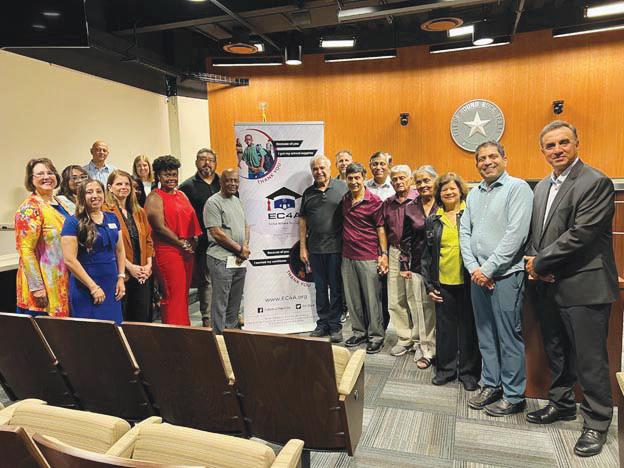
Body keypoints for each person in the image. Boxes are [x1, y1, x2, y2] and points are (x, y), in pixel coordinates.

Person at [524, 121, 618, 457]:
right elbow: (538, 235)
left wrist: (540, 264)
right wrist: (536, 264)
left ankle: (597, 422)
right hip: (549, 285)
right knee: (557, 350)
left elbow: (581, 235)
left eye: (564, 142)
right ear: (543, 151)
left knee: (590, 359)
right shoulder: (541, 186)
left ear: (577, 143)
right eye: (550, 146)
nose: (557, 150)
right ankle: (562, 404)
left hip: (585, 285)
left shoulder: (595, 182)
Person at [459, 141, 533, 416]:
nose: (487, 162)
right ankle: (491, 384)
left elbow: (516, 235)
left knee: (508, 336)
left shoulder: (517, 188)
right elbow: (464, 232)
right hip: (478, 276)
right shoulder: (474, 193)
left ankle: (514, 395)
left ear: (504, 159)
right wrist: (473, 269)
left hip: (506, 276)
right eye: (481, 159)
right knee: (486, 334)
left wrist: (487, 269)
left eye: (492, 157)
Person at [422, 172, 481, 390]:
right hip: (442, 283)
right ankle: (446, 370)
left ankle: (468, 373)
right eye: (444, 189)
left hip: (468, 281)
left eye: (452, 188)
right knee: (445, 329)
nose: (448, 192)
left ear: (460, 191)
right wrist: (429, 285)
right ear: (439, 193)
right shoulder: (433, 220)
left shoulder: (471, 214)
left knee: (468, 328)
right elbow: (426, 256)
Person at [145, 155, 201, 326]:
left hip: (186, 250)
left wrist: (192, 241)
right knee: (173, 294)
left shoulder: (181, 194)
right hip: (167, 251)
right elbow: (159, 227)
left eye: (174, 174)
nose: (171, 178)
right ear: (158, 176)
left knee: (183, 294)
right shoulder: (155, 197)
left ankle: (186, 330)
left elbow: (191, 220)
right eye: (166, 175)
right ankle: (174, 333)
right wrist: (180, 243)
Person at [61, 180, 125, 323]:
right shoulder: (72, 222)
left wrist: (121, 277)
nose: (95, 195)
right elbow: (69, 260)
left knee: (114, 328)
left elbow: (120, 250)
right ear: (81, 196)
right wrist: (93, 287)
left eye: (98, 191)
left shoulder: (112, 218)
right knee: (91, 330)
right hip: (86, 286)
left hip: (111, 284)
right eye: (89, 192)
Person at [15, 158, 73, 317]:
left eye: (50, 172)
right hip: (45, 287)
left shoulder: (64, 202)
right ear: (31, 180)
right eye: (40, 174)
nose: (46, 177)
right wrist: (37, 288)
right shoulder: (29, 208)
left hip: (66, 280)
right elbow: (26, 250)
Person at [300, 154, 348, 343]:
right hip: (315, 249)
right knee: (320, 288)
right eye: (315, 169)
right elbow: (302, 220)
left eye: (322, 168)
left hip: (336, 248)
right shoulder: (308, 193)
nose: (319, 171)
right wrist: (303, 247)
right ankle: (323, 324)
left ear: (329, 169)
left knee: (336, 289)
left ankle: (335, 326)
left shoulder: (342, 187)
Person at [341, 162, 388, 354]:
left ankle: (376, 336)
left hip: (368, 256)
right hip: (347, 256)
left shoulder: (374, 201)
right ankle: (359, 332)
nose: (353, 182)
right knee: (353, 299)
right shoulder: (345, 199)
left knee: (372, 299)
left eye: (357, 178)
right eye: (350, 178)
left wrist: (383, 255)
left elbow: (381, 229)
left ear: (363, 178)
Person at [399, 165, 438, 369]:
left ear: (435, 180)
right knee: (423, 310)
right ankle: (427, 349)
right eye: (419, 181)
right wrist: (404, 264)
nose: (423, 185)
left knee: (446, 311)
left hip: (445, 265)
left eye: (427, 180)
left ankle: (448, 349)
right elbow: (405, 239)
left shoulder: (445, 202)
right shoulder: (410, 207)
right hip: (417, 266)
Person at [203, 169, 249, 334]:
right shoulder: (213, 202)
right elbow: (216, 233)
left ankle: (231, 334)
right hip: (220, 259)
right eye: (229, 180)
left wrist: (244, 247)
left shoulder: (237, 201)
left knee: (235, 302)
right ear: (221, 182)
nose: (232, 184)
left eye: (236, 181)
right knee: (220, 302)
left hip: (238, 260)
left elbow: (246, 227)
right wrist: (239, 249)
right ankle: (219, 336)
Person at [179, 148, 220, 327]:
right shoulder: (187, 187)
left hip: (226, 240)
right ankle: (208, 317)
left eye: (210, 160)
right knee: (206, 280)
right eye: (203, 159)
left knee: (226, 278)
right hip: (203, 240)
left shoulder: (224, 182)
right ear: (196, 162)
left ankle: (229, 314)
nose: (207, 163)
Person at [105, 170, 154, 322]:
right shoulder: (105, 211)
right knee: (124, 318)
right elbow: (110, 245)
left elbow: (148, 240)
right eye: (119, 184)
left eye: (127, 184)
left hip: (142, 272)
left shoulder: (139, 211)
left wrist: (148, 266)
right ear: (110, 187)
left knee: (142, 317)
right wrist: (130, 267)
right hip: (121, 273)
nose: (124, 187)